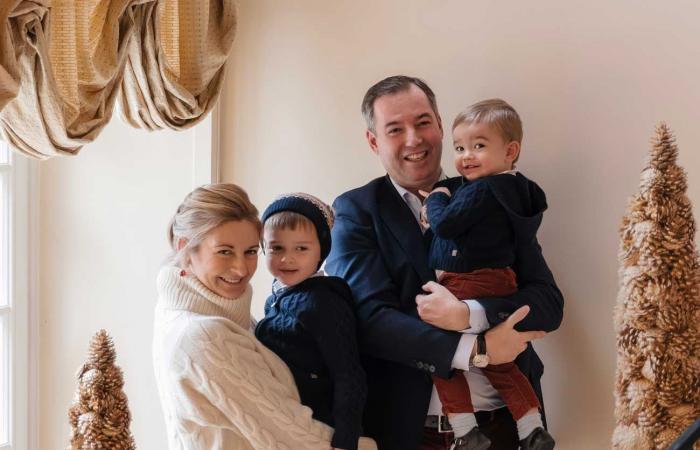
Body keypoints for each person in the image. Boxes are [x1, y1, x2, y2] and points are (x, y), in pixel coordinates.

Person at [325, 76, 564, 450]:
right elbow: (369, 318)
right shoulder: (355, 210)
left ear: (439, 124)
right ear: (374, 141)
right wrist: (476, 349)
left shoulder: (492, 192)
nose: (413, 139)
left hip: (509, 427)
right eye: (394, 129)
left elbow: (547, 302)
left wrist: (472, 315)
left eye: (423, 123)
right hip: (415, 433)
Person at [152, 183, 376, 450]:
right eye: (224, 251)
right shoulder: (204, 335)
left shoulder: (217, 316)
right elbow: (294, 438)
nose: (241, 268)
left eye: (250, 252)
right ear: (185, 248)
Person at [421, 99, 555, 450]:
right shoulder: (514, 192)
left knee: (440, 355)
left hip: (468, 284)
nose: (466, 156)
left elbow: (446, 223)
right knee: (499, 361)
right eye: (461, 147)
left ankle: (465, 431)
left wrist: (435, 197)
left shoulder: (482, 188)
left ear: (510, 151)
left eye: (478, 146)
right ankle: (532, 426)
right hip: (496, 280)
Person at [255, 193, 367, 450]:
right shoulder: (276, 297)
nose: (287, 258)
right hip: (283, 420)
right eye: (276, 248)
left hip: (320, 426)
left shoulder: (323, 303)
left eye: (301, 248)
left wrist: (346, 439)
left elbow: (349, 374)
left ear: (321, 251)